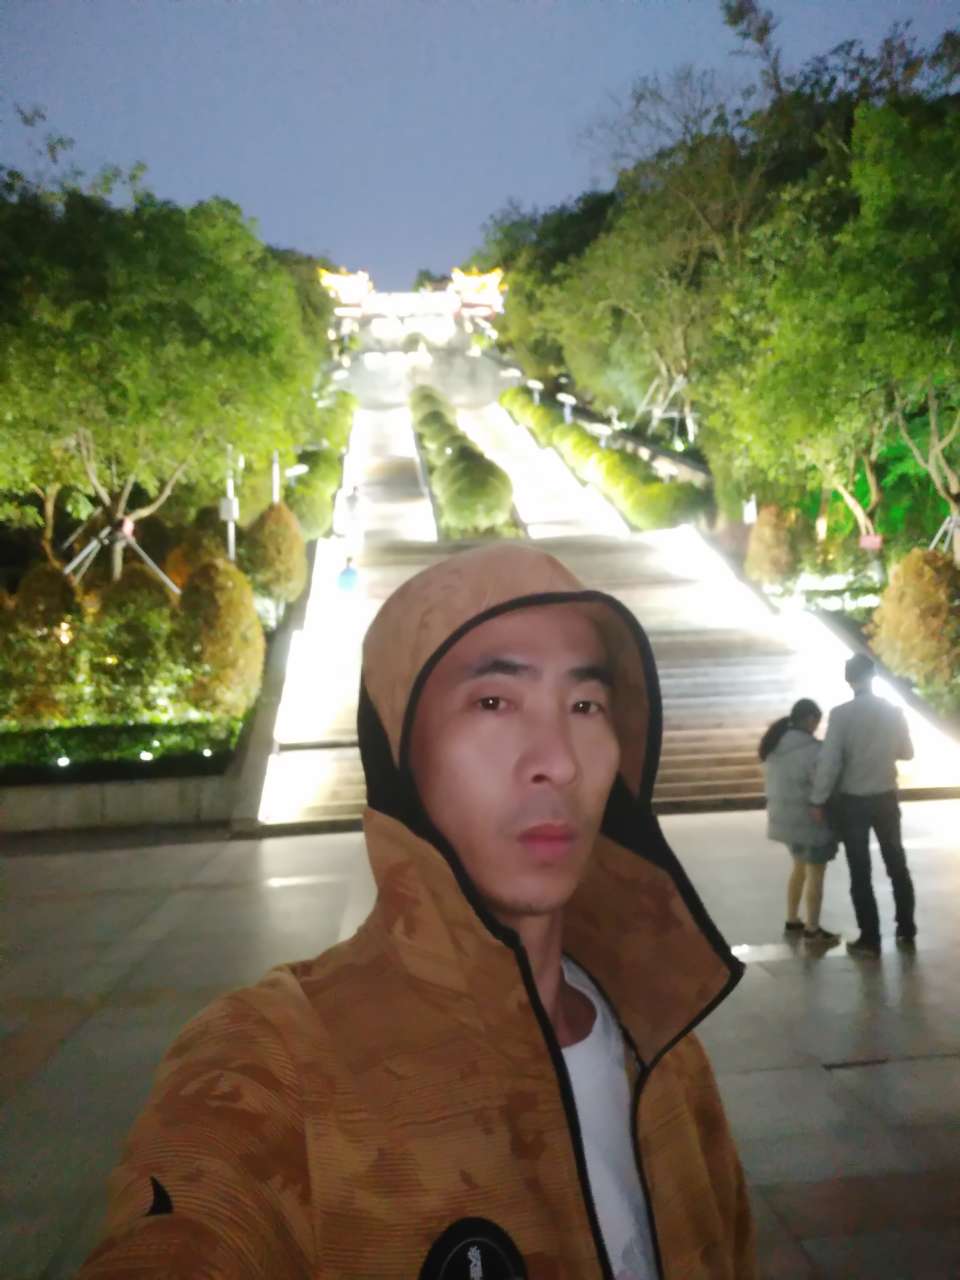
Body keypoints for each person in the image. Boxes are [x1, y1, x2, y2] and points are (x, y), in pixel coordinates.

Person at [77, 542, 755, 1280]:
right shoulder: (274, 1059)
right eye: (494, 702)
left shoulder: (664, 1053)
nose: (559, 760)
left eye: (585, 705)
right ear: (398, 749)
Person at [811, 653, 916, 958]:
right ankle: (906, 927)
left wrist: (818, 798)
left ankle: (870, 937)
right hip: (886, 797)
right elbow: (907, 752)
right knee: (896, 863)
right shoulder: (893, 711)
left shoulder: (841, 715)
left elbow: (830, 762)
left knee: (860, 870)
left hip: (854, 801)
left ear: (848, 679)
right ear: (874, 676)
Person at [758, 698, 840, 945]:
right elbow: (822, 783)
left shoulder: (774, 747)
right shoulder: (813, 750)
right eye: (816, 721)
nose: (817, 726)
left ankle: (792, 919)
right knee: (816, 873)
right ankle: (812, 929)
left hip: (784, 819)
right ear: (810, 719)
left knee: (799, 867)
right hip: (810, 820)